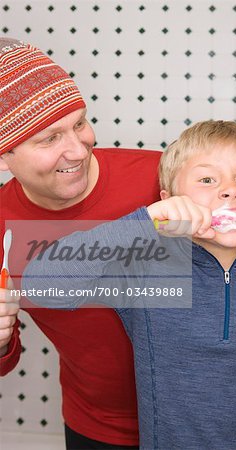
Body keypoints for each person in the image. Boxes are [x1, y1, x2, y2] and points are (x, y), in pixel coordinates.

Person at [23, 120, 236, 449]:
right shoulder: (148, 270)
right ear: (170, 198)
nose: (231, 189)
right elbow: (42, 285)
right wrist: (148, 220)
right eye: (208, 179)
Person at [0, 37, 162, 449]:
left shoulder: (161, 177)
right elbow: (6, 357)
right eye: (48, 138)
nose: (78, 149)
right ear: (4, 157)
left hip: (197, 421)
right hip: (94, 429)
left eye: (79, 123)